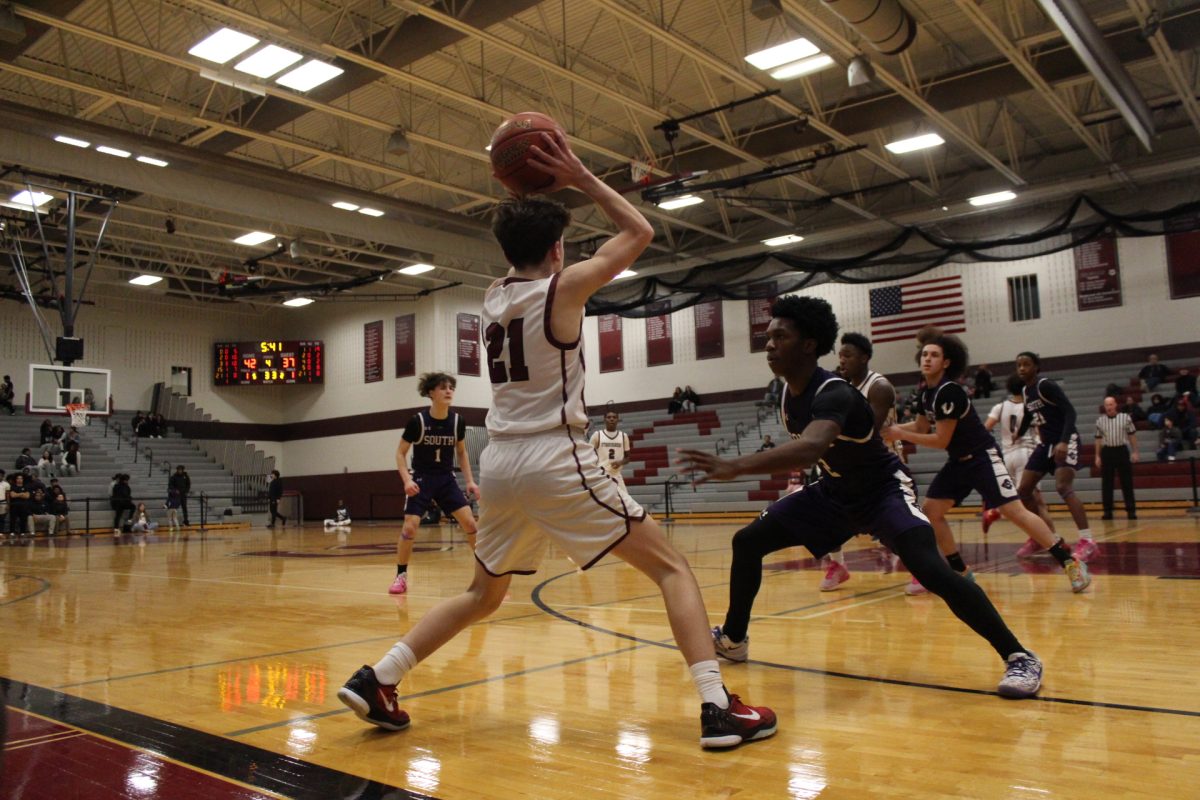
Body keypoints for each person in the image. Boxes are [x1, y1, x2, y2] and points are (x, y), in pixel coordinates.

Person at [337, 129, 775, 749]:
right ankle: (716, 706)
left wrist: (518, 196)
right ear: (559, 248)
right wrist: (577, 176)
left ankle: (379, 677)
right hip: (555, 454)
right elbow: (639, 234)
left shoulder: (491, 299)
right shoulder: (561, 289)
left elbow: (521, 248)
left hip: (503, 461)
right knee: (673, 568)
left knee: (481, 595)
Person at [680, 295, 1045, 699]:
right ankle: (733, 638)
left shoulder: (834, 392)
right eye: (767, 337)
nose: (768, 344)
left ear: (808, 344)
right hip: (836, 492)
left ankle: (1019, 655)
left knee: (931, 569)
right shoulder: (785, 395)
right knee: (747, 541)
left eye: (779, 336)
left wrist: (736, 465)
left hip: (883, 490)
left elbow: (812, 448)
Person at [885, 332, 1089, 594]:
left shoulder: (950, 391)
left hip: (983, 458)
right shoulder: (926, 393)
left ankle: (1070, 562)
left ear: (946, 362)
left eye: (934, 355)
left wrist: (899, 434)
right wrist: (889, 428)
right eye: (924, 354)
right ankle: (960, 570)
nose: (927, 359)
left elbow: (941, 439)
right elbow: (921, 426)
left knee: (1015, 512)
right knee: (931, 511)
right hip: (959, 462)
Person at [816, 331, 901, 592]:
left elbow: (869, 434)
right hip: (847, 466)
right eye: (840, 355)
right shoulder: (839, 386)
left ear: (864, 358)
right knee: (827, 515)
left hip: (880, 466)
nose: (842, 360)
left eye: (848, 355)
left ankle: (920, 568)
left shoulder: (879, 388)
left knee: (897, 525)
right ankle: (837, 565)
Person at [389, 372, 480, 595]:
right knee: (410, 526)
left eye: (451, 387)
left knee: (470, 524)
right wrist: (407, 480)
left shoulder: (457, 421)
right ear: (431, 393)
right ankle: (401, 575)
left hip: (446, 478)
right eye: (443, 387)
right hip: (421, 477)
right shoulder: (418, 421)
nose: (448, 391)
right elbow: (400, 453)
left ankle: (485, 578)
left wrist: (469, 481)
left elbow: (461, 451)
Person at [1014, 352, 1096, 561]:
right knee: (1023, 491)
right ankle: (1042, 536)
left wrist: (1064, 441)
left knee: (1063, 487)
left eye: (1026, 364)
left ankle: (1087, 541)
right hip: (1045, 444)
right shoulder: (1026, 390)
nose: (1022, 368)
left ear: (1036, 367)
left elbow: (1070, 412)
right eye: (1019, 365)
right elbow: (1029, 414)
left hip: (1065, 439)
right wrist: (1019, 432)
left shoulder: (1046, 385)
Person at [982, 374, 1047, 533]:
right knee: (1034, 500)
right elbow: (1040, 430)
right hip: (1026, 454)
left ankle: (1039, 537)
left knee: (1023, 498)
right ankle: (997, 512)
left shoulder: (1000, 407)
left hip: (1007, 456)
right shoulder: (1031, 406)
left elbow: (984, 430)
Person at [1095, 396, 1139, 520]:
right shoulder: (1100, 421)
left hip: (1121, 451)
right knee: (1107, 483)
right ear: (1104, 406)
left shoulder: (1125, 418)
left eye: (1110, 404)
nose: (1108, 407)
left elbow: (1132, 435)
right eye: (1106, 405)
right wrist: (1097, 456)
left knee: (1127, 482)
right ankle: (1107, 511)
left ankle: (1131, 510)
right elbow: (1098, 439)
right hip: (1107, 451)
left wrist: (1135, 452)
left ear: (1115, 405)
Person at [589, 410, 632, 493]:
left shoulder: (624, 436)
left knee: (626, 502)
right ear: (604, 419)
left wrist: (620, 462)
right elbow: (587, 454)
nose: (611, 419)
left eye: (614, 417)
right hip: (601, 475)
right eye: (609, 417)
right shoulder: (597, 435)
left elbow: (627, 458)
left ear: (617, 419)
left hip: (616, 475)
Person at [0, 470, 9, 538]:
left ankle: (1, 532)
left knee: (2, 519)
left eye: (1, 475)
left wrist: (8, 504)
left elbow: (7, 495)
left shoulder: (6, 484)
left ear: (3, 476)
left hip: (3, 503)